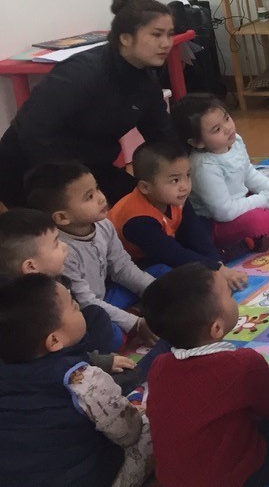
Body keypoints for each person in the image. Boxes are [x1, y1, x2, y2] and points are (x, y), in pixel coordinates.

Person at [0, 0, 177, 207]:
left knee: (148, 206)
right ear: (126, 38)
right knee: (77, 230)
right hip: (32, 170)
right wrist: (72, 188)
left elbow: (161, 133)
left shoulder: (146, 77)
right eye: (156, 34)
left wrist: (179, 175)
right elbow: (33, 132)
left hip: (90, 166)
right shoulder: (82, 73)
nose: (166, 43)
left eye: (170, 34)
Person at [142, 263, 269, 487]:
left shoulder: (159, 366)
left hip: (171, 480)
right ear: (216, 328)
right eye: (229, 294)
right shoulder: (243, 364)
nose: (234, 298)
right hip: (234, 477)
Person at [0, 274, 154, 487]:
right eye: (74, 306)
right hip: (84, 477)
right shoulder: (84, 380)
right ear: (54, 340)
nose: (81, 309)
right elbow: (129, 432)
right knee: (153, 430)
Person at [0, 208, 151, 389]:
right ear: (31, 266)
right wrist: (100, 362)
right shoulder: (24, 309)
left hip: (65, 346)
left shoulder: (48, 278)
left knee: (97, 316)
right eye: (56, 243)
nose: (65, 246)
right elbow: (46, 364)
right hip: (50, 368)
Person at [25, 161, 161, 351]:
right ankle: (132, 317)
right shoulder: (61, 250)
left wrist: (158, 292)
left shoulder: (103, 224)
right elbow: (86, 303)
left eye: (97, 188)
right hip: (86, 312)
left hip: (107, 296)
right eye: (89, 197)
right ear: (62, 218)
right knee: (110, 335)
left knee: (161, 274)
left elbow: (122, 268)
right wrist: (135, 324)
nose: (101, 198)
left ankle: (135, 311)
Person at [173, 93, 269, 252]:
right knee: (256, 221)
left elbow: (248, 174)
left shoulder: (235, 141)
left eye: (227, 119)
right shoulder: (204, 166)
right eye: (216, 129)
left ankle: (252, 241)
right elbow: (224, 212)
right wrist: (262, 200)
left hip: (237, 204)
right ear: (197, 142)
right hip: (215, 222)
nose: (227, 128)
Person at [108, 140, 248, 291]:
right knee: (171, 274)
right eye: (175, 180)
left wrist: (217, 264)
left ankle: (222, 256)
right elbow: (172, 254)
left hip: (167, 244)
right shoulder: (137, 220)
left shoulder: (173, 197)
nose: (185, 186)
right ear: (145, 187)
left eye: (187, 175)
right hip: (139, 263)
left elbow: (193, 233)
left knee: (202, 232)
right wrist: (216, 271)